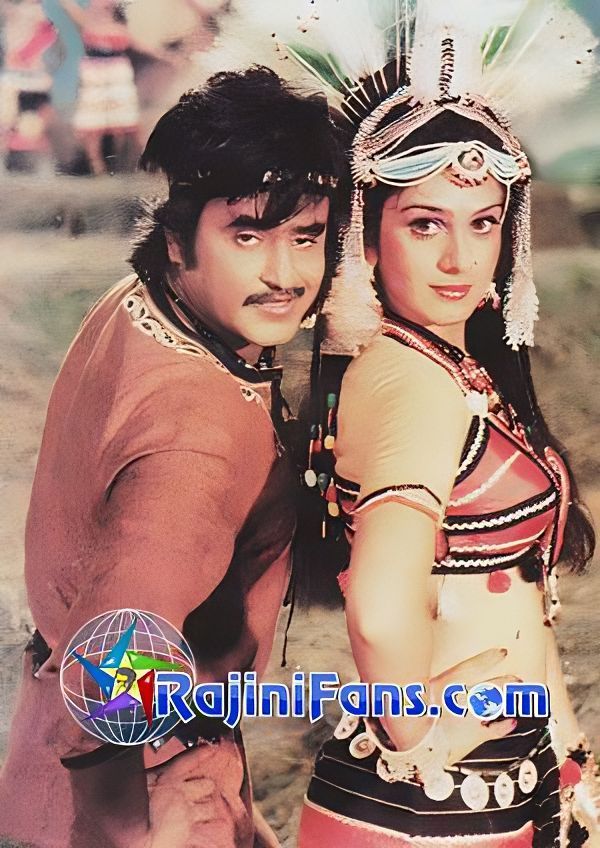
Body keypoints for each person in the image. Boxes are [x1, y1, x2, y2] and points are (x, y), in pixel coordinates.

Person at [208, 2, 600, 846]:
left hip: (493, 790)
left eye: (483, 222)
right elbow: (383, 612)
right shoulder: (413, 382)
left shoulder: (455, 371)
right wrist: (422, 744)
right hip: (426, 810)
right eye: (426, 224)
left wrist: (570, 761)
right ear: (369, 236)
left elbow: (524, 598)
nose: (461, 258)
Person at [0, 66, 347, 848]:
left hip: (91, 769)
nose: (285, 275)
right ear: (178, 236)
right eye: (247, 235)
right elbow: (113, 658)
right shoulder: (196, 434)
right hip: (141, 794)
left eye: (306, 237)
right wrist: (139, 824)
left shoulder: (148, 305)